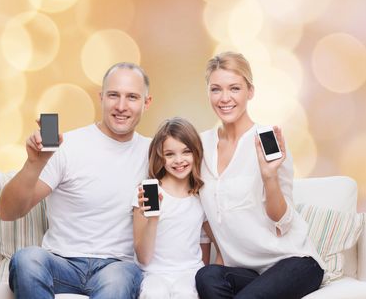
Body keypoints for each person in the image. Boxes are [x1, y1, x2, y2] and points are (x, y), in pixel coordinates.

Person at [0, 62, 152, 299]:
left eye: (132, 97)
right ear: (101, 98)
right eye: (113, 95)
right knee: (26, 259)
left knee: (119, 280)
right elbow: (7, 211)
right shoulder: (68, 146)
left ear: (146, 103)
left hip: (116, 266)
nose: (121, 106)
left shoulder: (155, 154)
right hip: (61, 262)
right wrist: (34, 163)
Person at [195, 52, 325, 299]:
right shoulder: (201, 145)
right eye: (216, 89)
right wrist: (221, 252)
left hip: (293, 262)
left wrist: (269, 176)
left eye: (234, 88)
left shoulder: (266, 141)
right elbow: (203, 213)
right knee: (207, 276)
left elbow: (282, 222)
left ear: (250, 91)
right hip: (247, 272)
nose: (224, 98)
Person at [133, 117, 222, 299]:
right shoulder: (146, 193)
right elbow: (143, 258)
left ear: (196, 153)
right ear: (160, 156)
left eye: (186, 151)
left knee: (185, 294)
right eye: (170, 154)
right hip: (153, 274)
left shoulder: (200, 196)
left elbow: (215, 241)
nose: (179, 160)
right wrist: (153, 219)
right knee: (154, 293)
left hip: (189, 273)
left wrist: (214, 270)